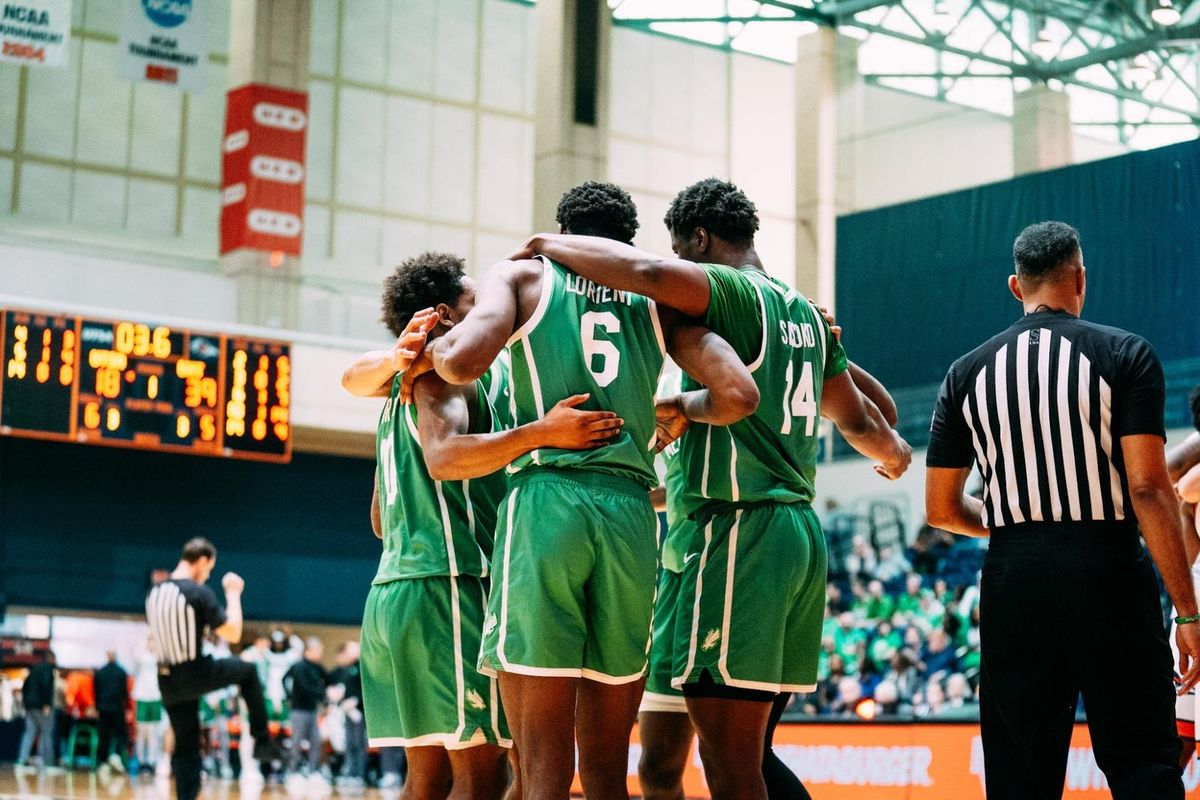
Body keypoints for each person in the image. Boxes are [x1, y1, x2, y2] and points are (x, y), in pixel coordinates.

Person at [515, 177, 911, 800]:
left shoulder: (726, 294)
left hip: (738, 535)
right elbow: (869, 414)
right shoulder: (801, 312)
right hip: (754, 536)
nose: (675, 267)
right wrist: (894, 454)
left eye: (681, 251)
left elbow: (644, 271)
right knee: (667, 760)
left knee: (734, 765)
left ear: (699, 239)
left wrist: (547, 243)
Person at [402, 181, 761, 799]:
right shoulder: (660, 298)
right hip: (628, 515)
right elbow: (737, 393)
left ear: (562, 233)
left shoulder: (522, 278)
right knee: (605, 773)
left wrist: (424, 348)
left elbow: (460, 364)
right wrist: (673, 409)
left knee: (542, 769)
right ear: (626, 241)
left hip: (547, 499)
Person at [342, 245, 643, 800]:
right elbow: (445, 457)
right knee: (481, 779)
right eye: (477, 298)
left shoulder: (402, 381)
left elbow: (381, 516)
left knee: (435, 779)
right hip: (449, 587)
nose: (493, 306)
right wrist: (538, 435)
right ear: (446, 315)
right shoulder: (440, 376)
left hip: (398, 589)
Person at [925, 220, 1200, 799]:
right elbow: (1150, 489)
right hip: (1109, 572)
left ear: (1014, 286)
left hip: (1014, 580)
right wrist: (1189, 614)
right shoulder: (1124, 352)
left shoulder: (965, 372)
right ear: (1080, 277)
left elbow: (941, 510)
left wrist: (1010, 524)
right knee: (1144, 763)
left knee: (1020, 775)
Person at [145, 538, 282, 800]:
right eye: (209, 569)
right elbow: (233, 632)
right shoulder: (197, 592)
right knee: (248, 672)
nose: (207, 575)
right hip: (192, 671)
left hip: (166, 679)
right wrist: (233, 593)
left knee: (186, 746)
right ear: (203, 560)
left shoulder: (155, 592)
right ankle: (262, 741)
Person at [284, 637, 329, 783]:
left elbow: (329, 679)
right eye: (319, 650)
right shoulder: (299, 667)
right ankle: (292, 771)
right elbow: (289, 681)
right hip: (299, 710)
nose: (321, 653)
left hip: (312, 710)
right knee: (296, 741)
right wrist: (289, 696)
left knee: (316, 740)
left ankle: (312, 770)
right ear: (311, 650)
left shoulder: (317, 667)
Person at [329, 641, 366, 787]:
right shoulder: (346, 669)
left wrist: (356, 700)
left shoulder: (361, 667)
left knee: (358, 743)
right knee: (350, 743)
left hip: (358, 712)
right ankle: (350, 772)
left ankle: (360, 774)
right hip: (347, 712)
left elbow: (364, 689)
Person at [15, 651, 59, 773]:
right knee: (46, 733)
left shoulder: (33, 670)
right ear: (51, 658)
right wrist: (46, 704)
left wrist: (25, 703)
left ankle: (22, 760)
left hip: (29, 706)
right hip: (41, 706)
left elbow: (25, 687)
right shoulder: (48, 670)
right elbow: (46, 686)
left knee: (29, 732)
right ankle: (48, 762)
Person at [132, 639, 166, 774]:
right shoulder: (141, 656)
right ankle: (141, 761)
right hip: (142, 697)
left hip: (156, 697)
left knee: (154, 732)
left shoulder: (161, 657)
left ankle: (152, 762)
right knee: (141, 732)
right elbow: (135, 656)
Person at [94, 650, 130, 773]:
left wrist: (97, 707)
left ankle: (102, 762)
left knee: (103, 736)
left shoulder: (100, 672)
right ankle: (117, 758)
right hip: (117, 709)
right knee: (120, 735)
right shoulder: (121, 672)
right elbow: (125, 693)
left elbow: (96, 692)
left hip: (103, 709)